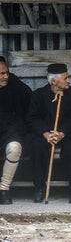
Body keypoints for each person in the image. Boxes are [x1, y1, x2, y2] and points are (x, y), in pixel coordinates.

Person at [26, 63, 71, 204]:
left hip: (66, 133)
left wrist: (62, 133)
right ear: (54, 81)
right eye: (65, 78)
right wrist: (46, 133)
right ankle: (40, 187)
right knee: (36, 146)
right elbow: (32, 118)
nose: (68, 81)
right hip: (45, 134)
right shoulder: (38, 95)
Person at [0, 57, 32, 204]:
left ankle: (3, 189)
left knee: (14, 148)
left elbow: (30, 113)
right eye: (1, 74)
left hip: (11, 132)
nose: (6, 76)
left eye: (7, 73)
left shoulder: (18, 88)